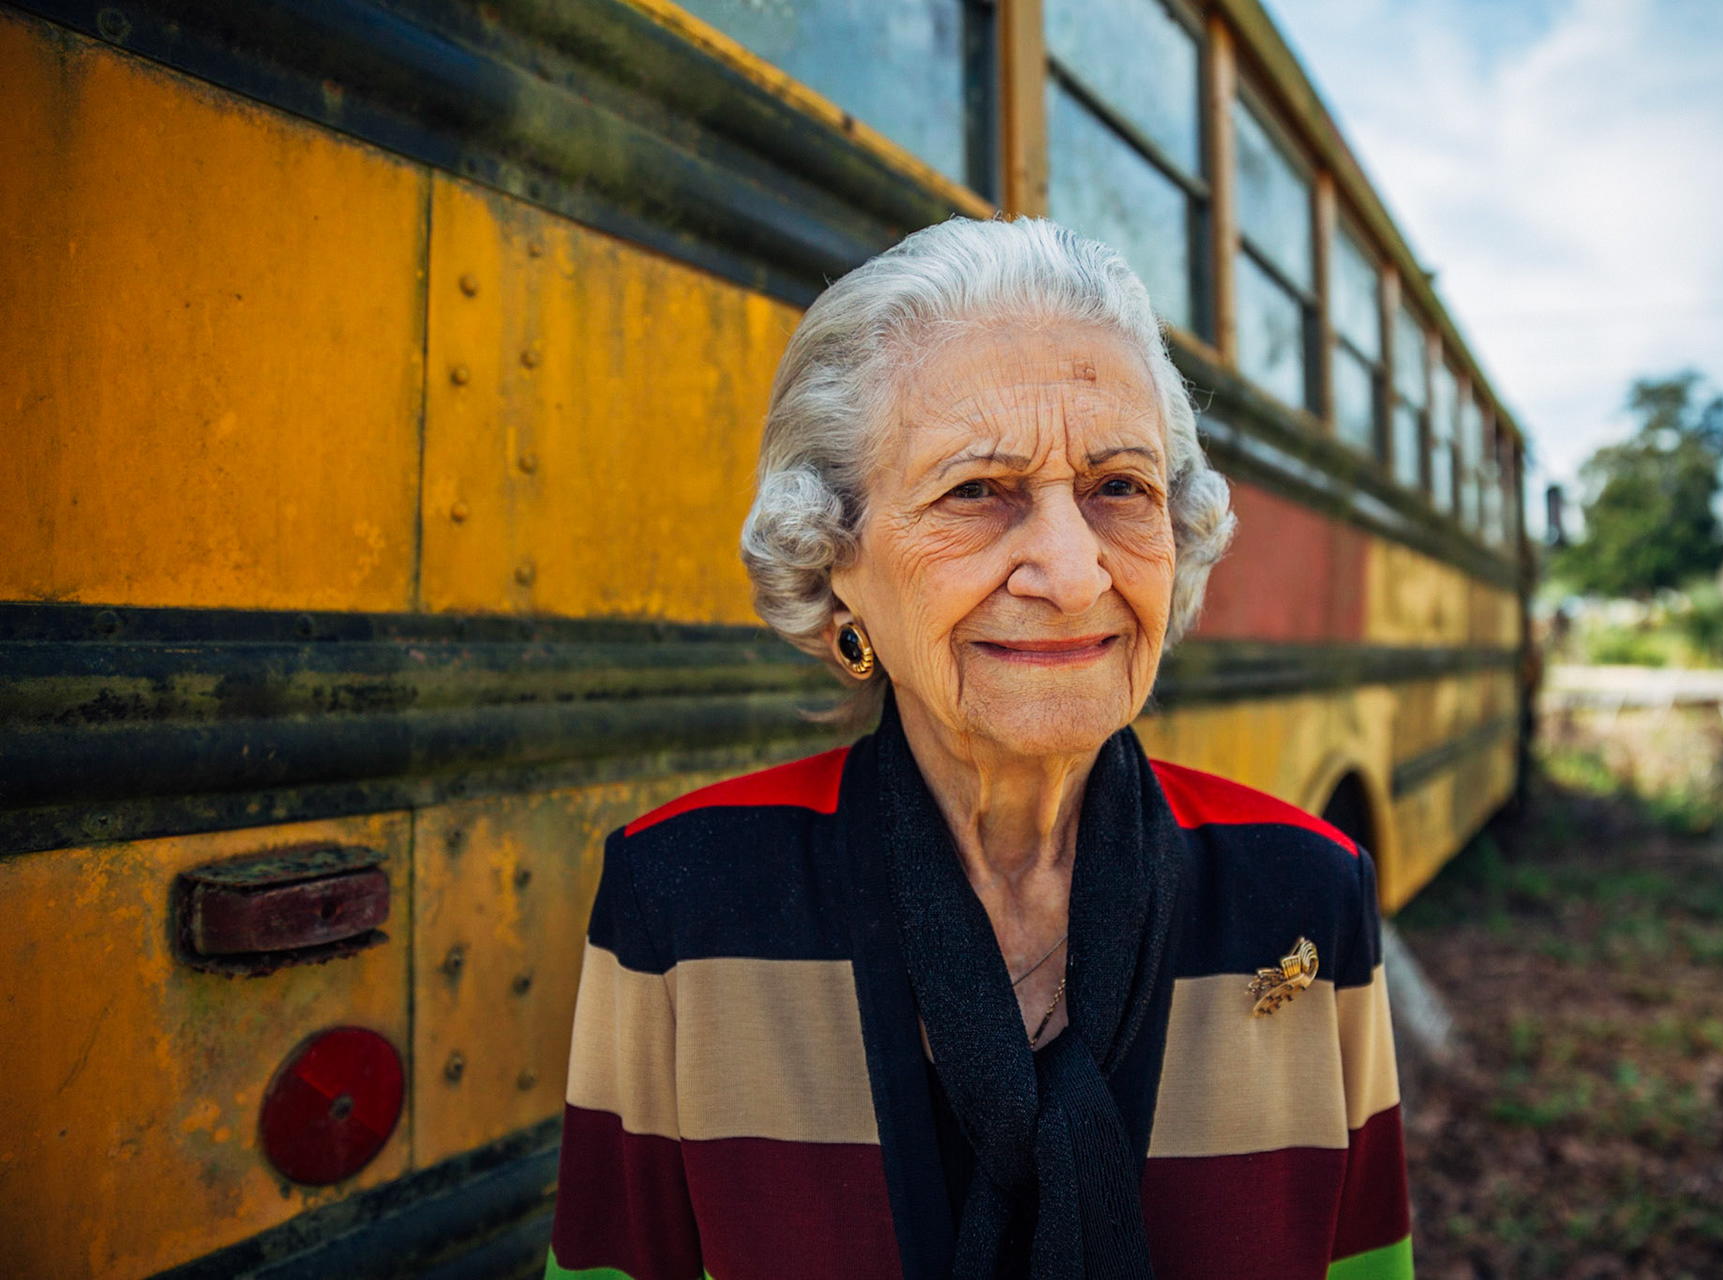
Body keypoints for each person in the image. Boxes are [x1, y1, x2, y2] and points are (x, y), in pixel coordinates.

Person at [545, 218, 1411, 1280]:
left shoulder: (1307, 895)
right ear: (836, 559)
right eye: (976, 490)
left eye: (1119, 488)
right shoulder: (682, 902)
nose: (1073, 570)